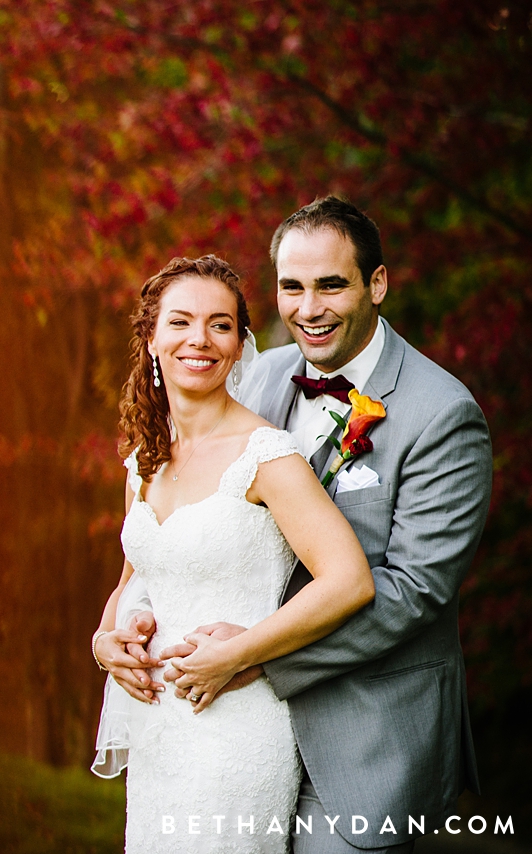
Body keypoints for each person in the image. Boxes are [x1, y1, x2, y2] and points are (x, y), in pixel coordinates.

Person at [99, 197, 493, 853]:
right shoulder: (259, 374)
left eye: (331, 284)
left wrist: (254, 654)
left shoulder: (441, 414)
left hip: (362, 735)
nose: (308, 308)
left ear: (377, 283)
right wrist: (115, 631)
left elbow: (414, 591)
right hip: (224, 714)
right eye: (291, 286)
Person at [90, 253, 376, 853]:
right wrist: (104, 639)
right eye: (181, 322)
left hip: (236, 729)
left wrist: (237, 654)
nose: (200, 339)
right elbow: (133, 582)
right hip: (160, 732)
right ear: (150, 339)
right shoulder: (142, 461)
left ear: (239, 343)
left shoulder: (267, 456)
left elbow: (349, 580)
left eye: (220, 325)